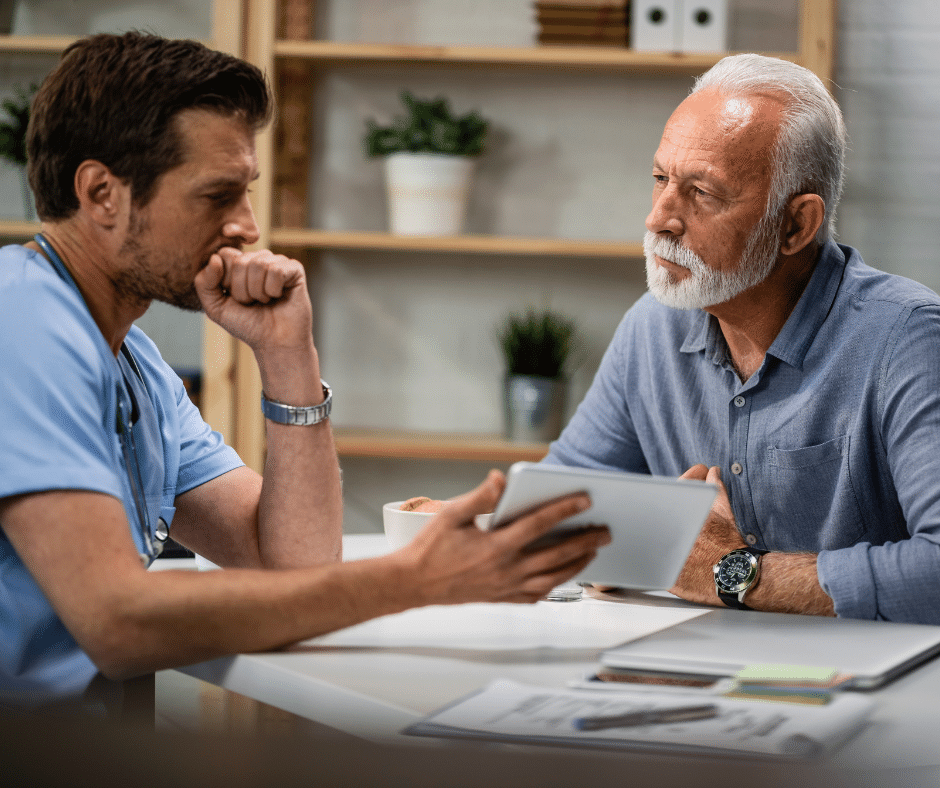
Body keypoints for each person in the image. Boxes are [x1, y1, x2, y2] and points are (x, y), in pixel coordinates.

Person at [0, 32, 610, 707]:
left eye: (248, 193)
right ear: (101, 193)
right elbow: (117, 623)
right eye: (217, 196)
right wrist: (416, 578)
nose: (249, 227)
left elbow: (291, 562)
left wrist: (288, 355)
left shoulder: (129, 356)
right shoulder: (22, 322)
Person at [546, 53, 940, 625]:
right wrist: (611, 543)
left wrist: (734, 574)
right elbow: (556, 508)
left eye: (702, 192)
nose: (660, 218)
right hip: (696, 674)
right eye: (660, 179)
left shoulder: (909, 341)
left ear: (796, 225)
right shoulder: (650, 328)